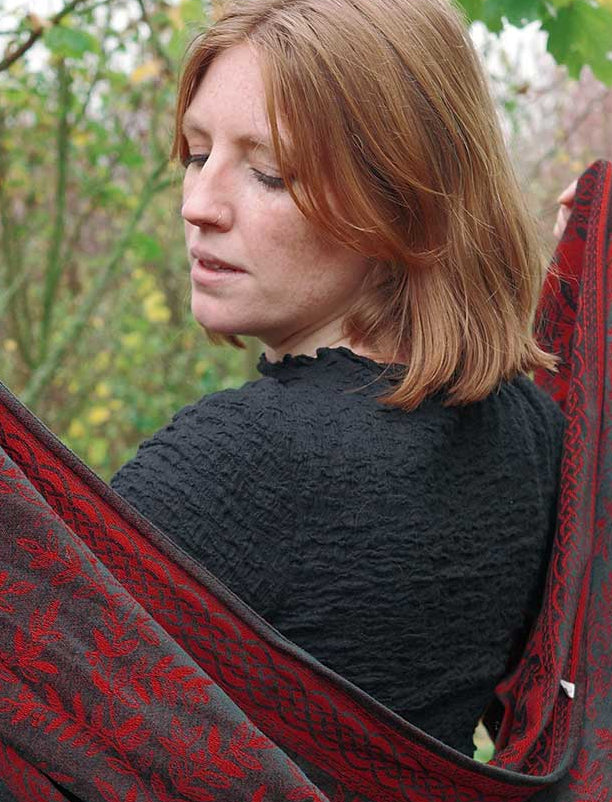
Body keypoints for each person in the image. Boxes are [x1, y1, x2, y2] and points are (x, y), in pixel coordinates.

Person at [110, 0, 566, 758]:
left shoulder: (239, 462)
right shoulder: (534, 431)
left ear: (402, 196)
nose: (198, 206)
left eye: (269, 173)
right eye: (196, 155)